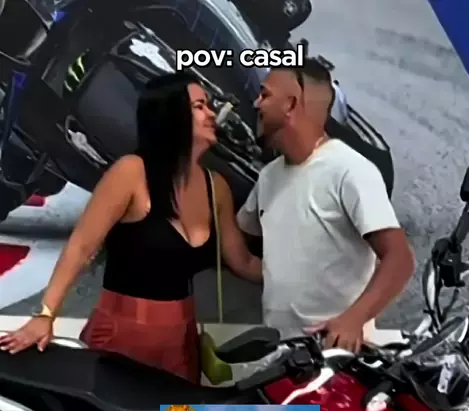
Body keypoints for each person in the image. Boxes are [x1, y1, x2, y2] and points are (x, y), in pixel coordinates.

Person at [0, 71, 262, 382]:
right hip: (121, 336)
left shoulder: (215, 187)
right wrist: (46, 315)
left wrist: (308, 283)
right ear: (171, 115)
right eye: (199, 106)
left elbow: (243, 262)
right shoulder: (131, 173)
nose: (211, 114)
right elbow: (82, 246)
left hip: (182, 342)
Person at [237, 58, 415, 353]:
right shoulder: (268, 177)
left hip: (339, 358)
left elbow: (400, 259)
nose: (256, 103)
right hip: (284, 356)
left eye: (265, 95)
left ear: (291, 105)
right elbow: (246, 245)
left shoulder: (350, 170)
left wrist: (353, 320)